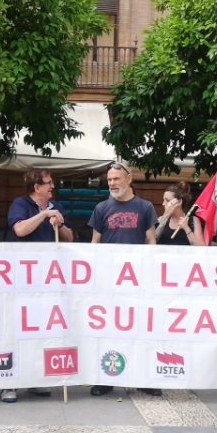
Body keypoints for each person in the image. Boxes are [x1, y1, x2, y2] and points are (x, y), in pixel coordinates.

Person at [1, 169, 73, 402]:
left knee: (40, 329)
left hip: (46, 279)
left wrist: (59, 224)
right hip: (21, 279)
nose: (52, 186)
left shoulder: (55, 205)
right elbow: (20, 229)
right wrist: (44, 215)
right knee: (15, 330)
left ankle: (33, 380)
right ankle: (9, 383)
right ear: (36, 187)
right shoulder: (21, 204)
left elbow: (69, 238)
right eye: (48, 183)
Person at [89, 162, 159, 397]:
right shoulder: (101, 208)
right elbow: (95, 243)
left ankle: (143, 377)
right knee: (109, 329)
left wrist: (150, 272)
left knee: (140, 328)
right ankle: (105, 378)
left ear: (129, 179)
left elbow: (151, 241)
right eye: (109, 180)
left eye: (116, 179)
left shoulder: (145, 207)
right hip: (109, 281)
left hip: (137, 280)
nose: (112, 183)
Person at [155, 181, 206, 246]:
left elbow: (201, 248)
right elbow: (152, 241)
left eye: (167, 200)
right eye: (163, 200)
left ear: (179, 202)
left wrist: (186, 228)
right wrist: (165, 217)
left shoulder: (193, 221)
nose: (163, 204)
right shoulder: (160, 219)